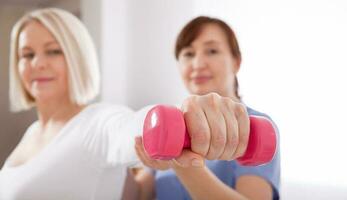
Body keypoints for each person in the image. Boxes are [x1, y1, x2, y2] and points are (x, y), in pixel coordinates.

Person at [0, 9, 252, 200]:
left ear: (77, 58)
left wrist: (173, 126)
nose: (37, 64)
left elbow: (133, 127)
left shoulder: (100, 121)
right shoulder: (31, 133)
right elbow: (139, 193)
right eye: (27, 55)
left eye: (53, 51)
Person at [134, 16, 280, 200]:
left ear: (236, 62)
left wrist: (183, 163)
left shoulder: (253, 128)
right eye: (188, 54)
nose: (198, 64)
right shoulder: (168, 125)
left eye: (212, 51)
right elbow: (139, 193)